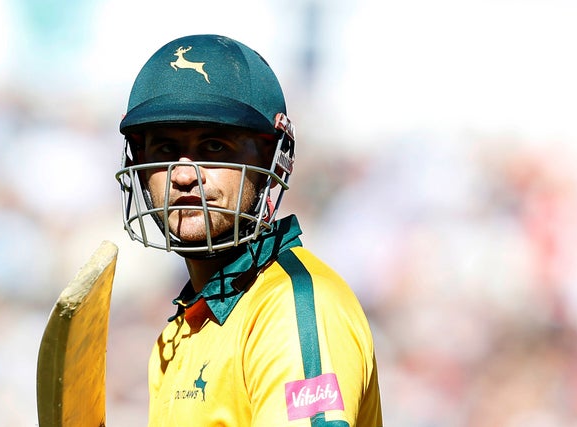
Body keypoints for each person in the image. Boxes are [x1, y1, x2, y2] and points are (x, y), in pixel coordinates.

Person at [116, 34, 382, 427]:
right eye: (166, 150)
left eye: (215, 147)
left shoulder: (292, 306)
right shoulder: (178, 333)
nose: (185, 175)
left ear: (274, 161)